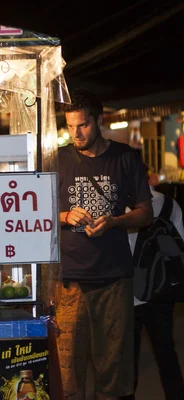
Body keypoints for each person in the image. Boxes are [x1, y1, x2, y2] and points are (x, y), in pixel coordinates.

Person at [57, 88, 153, 400]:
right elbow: (38, 210)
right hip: (68, 282)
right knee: (67, 373)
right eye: (70, 126)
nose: (76, 133)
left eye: (83, 125)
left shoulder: (126, 158)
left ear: (99, 121)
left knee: (113, 372)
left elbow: (144, 214)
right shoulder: (59, 159)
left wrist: (112, 221)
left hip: (114, 280)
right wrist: (66, 215)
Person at [124, 172, 184, 399]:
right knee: (167, 355)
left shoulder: (122, 210)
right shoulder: (170, 204)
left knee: (129, 360)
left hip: (128, 293)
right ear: (148, 177)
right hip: (162, 291)